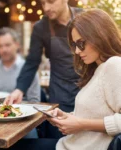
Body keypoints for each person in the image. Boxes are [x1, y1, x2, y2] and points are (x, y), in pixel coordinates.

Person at [4, 0, 82, 138]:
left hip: (86, 91)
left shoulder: (85, 18)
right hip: (59, 95)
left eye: (50, 2)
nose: (46, 7)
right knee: (58, 142)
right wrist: (19, 89)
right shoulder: (41, 27)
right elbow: (32, 62)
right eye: (43, 3)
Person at [46, 8, 121, 150]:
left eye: (81, 43)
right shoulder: (98, 70)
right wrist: (67, 117)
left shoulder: (115, 65)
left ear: (100, 36)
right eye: (75, 45)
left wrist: (80, 124)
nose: (77, 51)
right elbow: (97, 113)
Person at [0, 27, 40, 138]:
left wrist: (14, 111)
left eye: (8, 45)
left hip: (23, 123)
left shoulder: (28, 70)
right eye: (0, 46)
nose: (4, 50)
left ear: (17, 45)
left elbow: (35, 102)